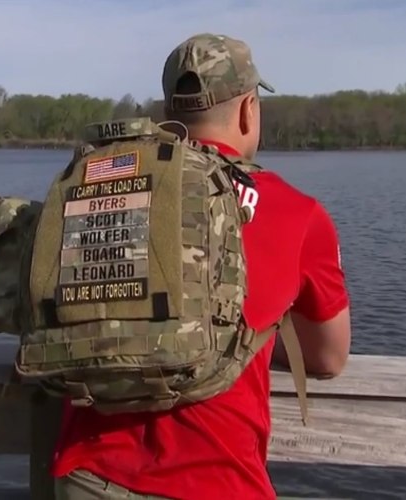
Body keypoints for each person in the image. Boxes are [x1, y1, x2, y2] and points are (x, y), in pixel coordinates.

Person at [51, 33, 352, 499]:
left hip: (89, 475)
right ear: (249, 110)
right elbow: (328, 358)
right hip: (217, 480)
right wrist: (223, 333)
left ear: (168, 113)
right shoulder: (297, 214)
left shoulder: (100, 184)